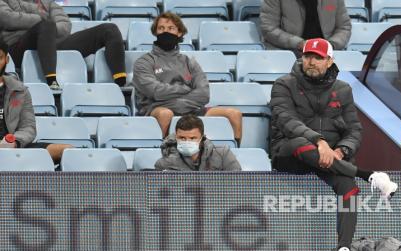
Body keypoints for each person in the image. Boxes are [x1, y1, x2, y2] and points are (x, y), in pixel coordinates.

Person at [270, 38, 398, 251]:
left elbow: (354, 131)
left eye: (318, 58)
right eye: (308, 56)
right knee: (299, 143)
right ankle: (369, 175)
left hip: (331, 159)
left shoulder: (343, 89)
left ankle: (343, 250)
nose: (311, 62)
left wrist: (340, 151)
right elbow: (286, 121)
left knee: (348, 187)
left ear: (329, 61)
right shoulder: (283, 84)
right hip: (290, 153)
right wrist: (319, 142)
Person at [132, 12, 242, 145]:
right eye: (161, 28)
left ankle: (236, 153)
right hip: (157, 108)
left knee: (233, 114)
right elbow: (156, 91)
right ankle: (164, 152)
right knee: (165, 114)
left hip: (192, 110)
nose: (165, 32)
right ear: (155, 33)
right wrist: (185, 88)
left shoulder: (189, 62)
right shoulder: (144, 62)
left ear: (179, 33)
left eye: (171, 28)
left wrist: (179, 103)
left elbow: (204, 94)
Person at [0, 0, 126, 90]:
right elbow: (8, 19)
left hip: (51, 42)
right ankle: (51, 82)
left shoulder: (48, 2)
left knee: (110, 29)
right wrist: (42, 19)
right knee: (47, 25)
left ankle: (121, 83)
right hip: (18, 46)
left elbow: (65, 25)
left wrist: (47, 30)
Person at [0, 39, 71, 163]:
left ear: (7, 59)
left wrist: (14, 141)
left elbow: (28, 127)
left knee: (68, 151)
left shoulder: (19, 90)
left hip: (13, 146)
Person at [260, 0, 351, 55]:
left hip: (326, 54)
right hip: (290, 52)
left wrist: (331, 44)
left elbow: (344, 27)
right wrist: (298, 43)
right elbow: (268, 28)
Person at [155, 114, 241, 171]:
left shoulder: (223, 154)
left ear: (202, 137)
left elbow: (238, 182)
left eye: (192, 138)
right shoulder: (164, 164)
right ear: (176, 136)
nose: (187, 142)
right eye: (182, 138)